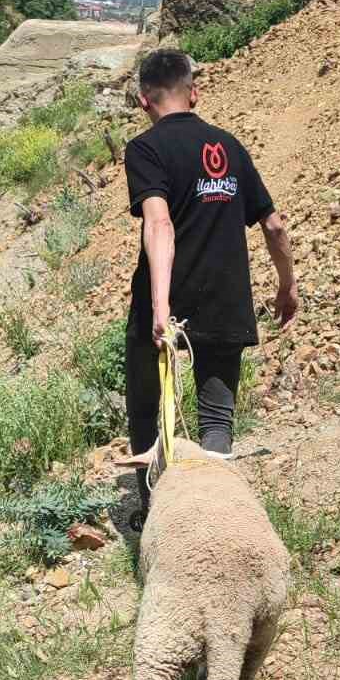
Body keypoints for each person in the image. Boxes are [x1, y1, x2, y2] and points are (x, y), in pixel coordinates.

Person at [123, 48, 299, 521]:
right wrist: (287, 285)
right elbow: (275, 227)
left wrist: (160, 307)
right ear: (194, 93)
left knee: (148, 410)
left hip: (164, 303)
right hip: (225, 297)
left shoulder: (145, 149)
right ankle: (217, 517)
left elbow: (158, 225)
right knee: (216, 419)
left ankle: (156, 515)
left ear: (144, 101)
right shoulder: (230, 146)